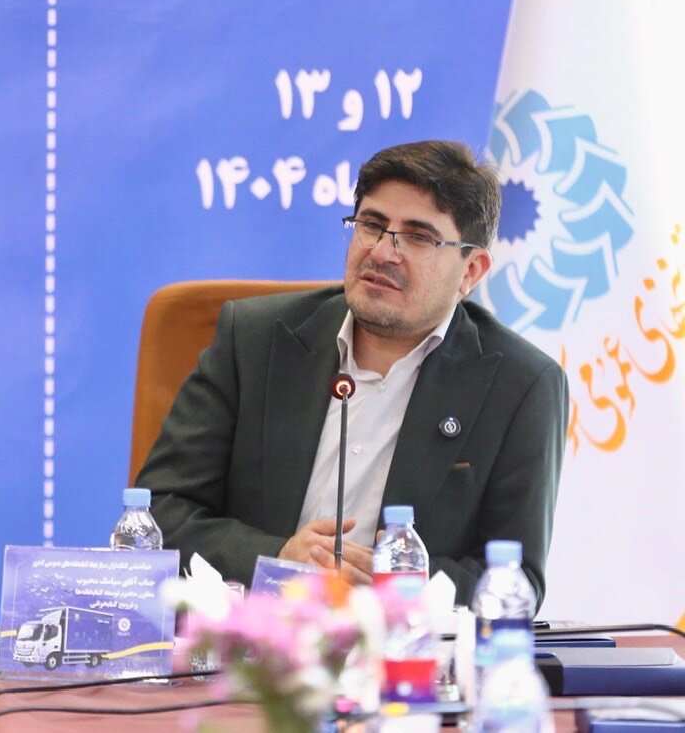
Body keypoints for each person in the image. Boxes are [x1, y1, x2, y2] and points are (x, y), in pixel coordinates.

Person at [136, 140, 566, 606]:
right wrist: (276, 558)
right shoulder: (255, 341)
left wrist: (390, 586)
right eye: (372, 225)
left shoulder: (520, 385)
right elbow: (158, 514)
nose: (382, 252)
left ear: (472, 271)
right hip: (251, 634)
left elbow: (515, 579)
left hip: (400, 642)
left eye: (418, 237)